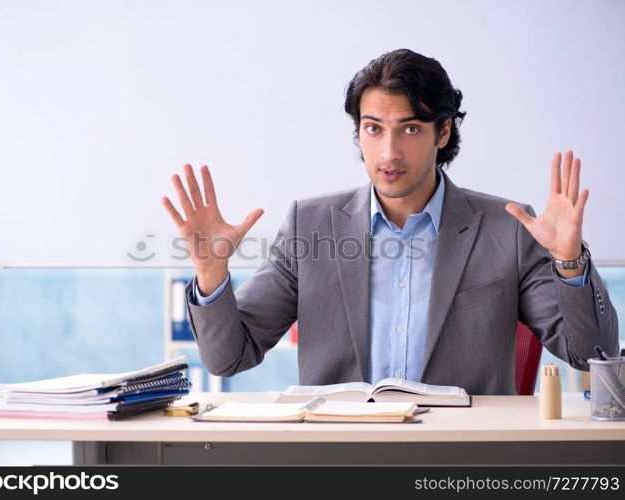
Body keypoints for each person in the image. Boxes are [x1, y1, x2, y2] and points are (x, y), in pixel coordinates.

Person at [161, 48, 618, 394]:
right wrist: (211, 272)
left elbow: (590, 353)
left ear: (443, 132)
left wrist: (570, 261)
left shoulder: (506, 228)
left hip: (462, 460)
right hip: (340, 461)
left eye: (411, 129)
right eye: (374, 128)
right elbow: (228, 358)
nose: (389, 152)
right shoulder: (310, 225)